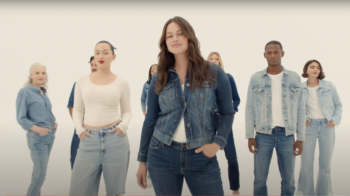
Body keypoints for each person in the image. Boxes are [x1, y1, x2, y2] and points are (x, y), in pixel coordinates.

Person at [136, 16, 234, 196]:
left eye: (179, 34)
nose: (174, 39)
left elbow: (227, 113)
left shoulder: (213, 72)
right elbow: (150, 120)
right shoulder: (160, 76)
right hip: (161, 155)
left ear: (189, 37)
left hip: (202, 156)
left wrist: (217, 143)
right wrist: (142, 160)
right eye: (169, 35)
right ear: (164, 42)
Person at [69, 40, 132, 196]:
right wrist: (79, 129)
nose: (101, 56)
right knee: (79, 190)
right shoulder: (82, 81)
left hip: (115, 140)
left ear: (113, 56)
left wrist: (122, 127)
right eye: (97, 52)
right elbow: (77, 109)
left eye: (105, 52)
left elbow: (127, 111)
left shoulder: (122, 82)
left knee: (115, 192)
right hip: (88, 140)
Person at [245, 40, 305, 196]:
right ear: (264, 55)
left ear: (282, 54)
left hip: (287, 136)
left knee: (289, 181)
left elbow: (300, 109)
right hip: (263, 136)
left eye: (276, 52)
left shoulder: (294, 78)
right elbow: (250, 108)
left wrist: (300, 138)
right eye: (269, 52)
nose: (272, 55)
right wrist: (250, 136)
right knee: (259, 180)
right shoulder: (256, 78)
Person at [296, 60, 342, 196]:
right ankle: (307, 193)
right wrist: (302, 120)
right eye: (312, 67)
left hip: (327, 127)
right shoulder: (300, 88)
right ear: (306, 70)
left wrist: (335, 121)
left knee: (325, 165)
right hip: (308, 128)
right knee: (306, 164)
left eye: (318, 67)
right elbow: (294, 107)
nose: (316, 69)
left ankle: (324, 193)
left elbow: (339, 104)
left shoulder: (329, 86)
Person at [16, 63, 58, 196]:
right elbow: (21, 118)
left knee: (39, 173)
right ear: (31, 75)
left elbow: (43, 111)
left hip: (50, 135)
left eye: (43, 73)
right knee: (39, 176)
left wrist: (53, 121)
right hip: (38, 137)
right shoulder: (25, 92)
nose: (41, 75)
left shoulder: (43, 92)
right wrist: (38, 130)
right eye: (37, 73)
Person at [207, 51, 240, 195]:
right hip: (206, 122)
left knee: (231, 158)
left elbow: (236, 99)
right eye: (211, 59)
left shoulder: (227, 78)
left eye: (216, 59)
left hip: (223, 121)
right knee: (206, 158)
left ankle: (235, 189)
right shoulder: (202, 79)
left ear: (220, 62)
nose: (214, 61)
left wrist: (229, 111)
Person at [67, 56, 98, 169]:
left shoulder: (107, 85)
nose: (94, 68)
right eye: (92, 65)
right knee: (76, 162)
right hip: (82, 129)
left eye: (96, 65)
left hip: (100, 130)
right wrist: (79, 126)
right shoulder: (79, 83)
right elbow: (71, 106)